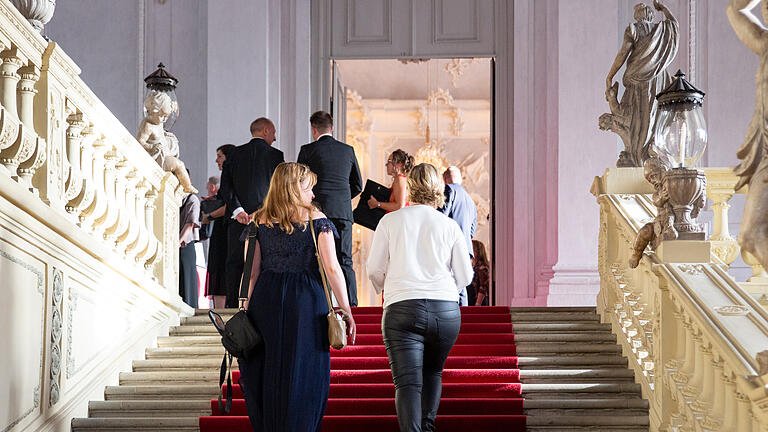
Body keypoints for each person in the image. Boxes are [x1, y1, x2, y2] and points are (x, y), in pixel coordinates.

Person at [238, 162, 356, 432]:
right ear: (293, 189)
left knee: (269, 367)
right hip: (306, 300)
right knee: (304, 369)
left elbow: (251, 274)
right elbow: (332, 269)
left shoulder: (258, 220)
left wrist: (244, 309)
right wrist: (346, 309)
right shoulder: (316, 220)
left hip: (266, 299)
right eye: (308, 188)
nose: (313, 195)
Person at [366, 163, 473, 432]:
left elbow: (374, 269)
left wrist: (387, 288)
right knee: (433, 372)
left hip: (402, 307)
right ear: (439, 189)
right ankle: (427, 427)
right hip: (445, 311)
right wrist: (447, 289)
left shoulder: (390, 220)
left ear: (410, 186)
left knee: (408, 383)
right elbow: (466, 276)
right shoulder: (449, 226)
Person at [298, 111, 363, 306]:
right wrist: (341, 200)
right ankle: (351, 304)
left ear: (313, 129)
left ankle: (322, 303)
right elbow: (358, 184)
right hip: (343, 213)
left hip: (316, 213)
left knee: (317, 259)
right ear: (332, 127)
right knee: (345, 260)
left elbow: (300, 182)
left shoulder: (307, 150)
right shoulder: (348, 150)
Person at [603, 0, 678, 167]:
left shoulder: (633, 29)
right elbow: (674, 23)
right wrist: (664, 8)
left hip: (638, 79)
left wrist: (610, 76)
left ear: (636, 17)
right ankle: (648, 152)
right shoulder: (661, 29)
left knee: (637, 117)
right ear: (650, 16)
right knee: (652, 117)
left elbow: (622, 55)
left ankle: (639, 155)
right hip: (657, 79)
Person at [219, 119, 284, 308]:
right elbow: (278, 189)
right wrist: (261, 212)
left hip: (236, 220)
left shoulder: (234, 154)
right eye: (273, 132)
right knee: (263, 264)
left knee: (235, 264)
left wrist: (238, 210)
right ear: (265, 130)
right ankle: (259, 305)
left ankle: (232, 309)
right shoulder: (276, 156)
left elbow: (226, 187)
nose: (275, 137)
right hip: (266, 221)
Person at [727, 0, 768, 270]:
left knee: (751, 234)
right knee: (749, 236)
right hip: (765, 151)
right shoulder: (766, 44)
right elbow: (734, 9)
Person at [203, 144, 236, 309]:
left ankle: (220, 312)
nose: (217, 160)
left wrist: (209, 215)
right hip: (221, 230)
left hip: (224, 231)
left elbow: (228, 206)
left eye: (220, 156)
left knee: (221, 269)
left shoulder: (232, 178)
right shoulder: (229, 178)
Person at [440, 166, 477, 306]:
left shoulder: (449, 190)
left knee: (450, 285)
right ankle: (463, 319)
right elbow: (472, 231)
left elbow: (441, 218)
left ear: (445, 179)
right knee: (461, 287)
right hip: (466, 248)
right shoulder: (470, 200)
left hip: (450, 246)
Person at [179, 187, 201, 308]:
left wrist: (179, 241)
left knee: (187, 279)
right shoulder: (176, 199)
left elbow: (191, 223)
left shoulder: (192, 199)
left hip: (186, 244)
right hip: (176, 245)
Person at [469, 240, 490, 306]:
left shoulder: (482, 267)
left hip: (478, 301)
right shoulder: (473, 266)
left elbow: (483, 287)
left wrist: (478, 304)